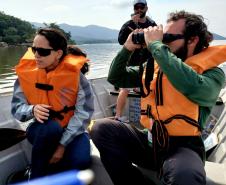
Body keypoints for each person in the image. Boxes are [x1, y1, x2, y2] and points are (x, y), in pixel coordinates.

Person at [90, 11, 226, 185]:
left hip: (182, 147)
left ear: (192, 40)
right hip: (150, 142)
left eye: (167, 37)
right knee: (102, 128)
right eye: (162, 37)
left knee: (186, 176)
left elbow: (192, 86)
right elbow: (117, 78)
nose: (162, 42)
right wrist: (127, 49)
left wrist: (155, 44)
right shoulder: (154, 67)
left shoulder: (212, 73)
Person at [11, 28, 94, 179]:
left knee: (81, 161)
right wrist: (32, 109)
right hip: (41, 130)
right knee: (51, 128)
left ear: (58, 54)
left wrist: (62, 146)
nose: (36, 55)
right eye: (34, 49)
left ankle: (49, 172)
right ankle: (35, 178)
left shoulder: (77, 77)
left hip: (72, 129)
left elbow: (84, 113)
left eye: (42, 51)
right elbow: (16, 109)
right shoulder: (25, 74)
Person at [115, 0, 157, 121]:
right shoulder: (128, 24)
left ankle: (151, 119)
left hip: (147, 62)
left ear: (146, 8)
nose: (138, 9)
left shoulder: (152, 23)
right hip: (131, 61)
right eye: (136, 7)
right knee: (124, 88)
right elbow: (121, 40)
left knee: (150, 88)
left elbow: (157, 41)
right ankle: (118, 116)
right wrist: (132, 25)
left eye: (141, 7)